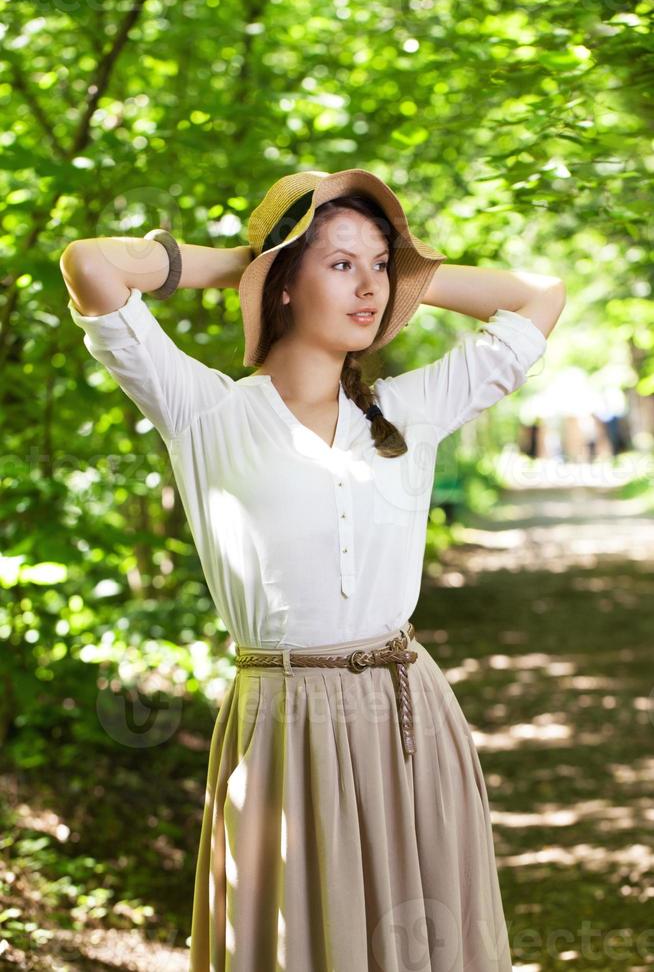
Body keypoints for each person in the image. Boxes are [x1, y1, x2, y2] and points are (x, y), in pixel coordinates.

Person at [60, 168, 564, 972]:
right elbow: (92, 265)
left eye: (379, 266)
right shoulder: (204, 410)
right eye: (339, 265)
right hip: (285, 720)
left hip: (408, 716)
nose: (369, 288)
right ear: (284, 285)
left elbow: (540, 295)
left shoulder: (410, 411)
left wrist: (405, 274)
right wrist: (245, 260)